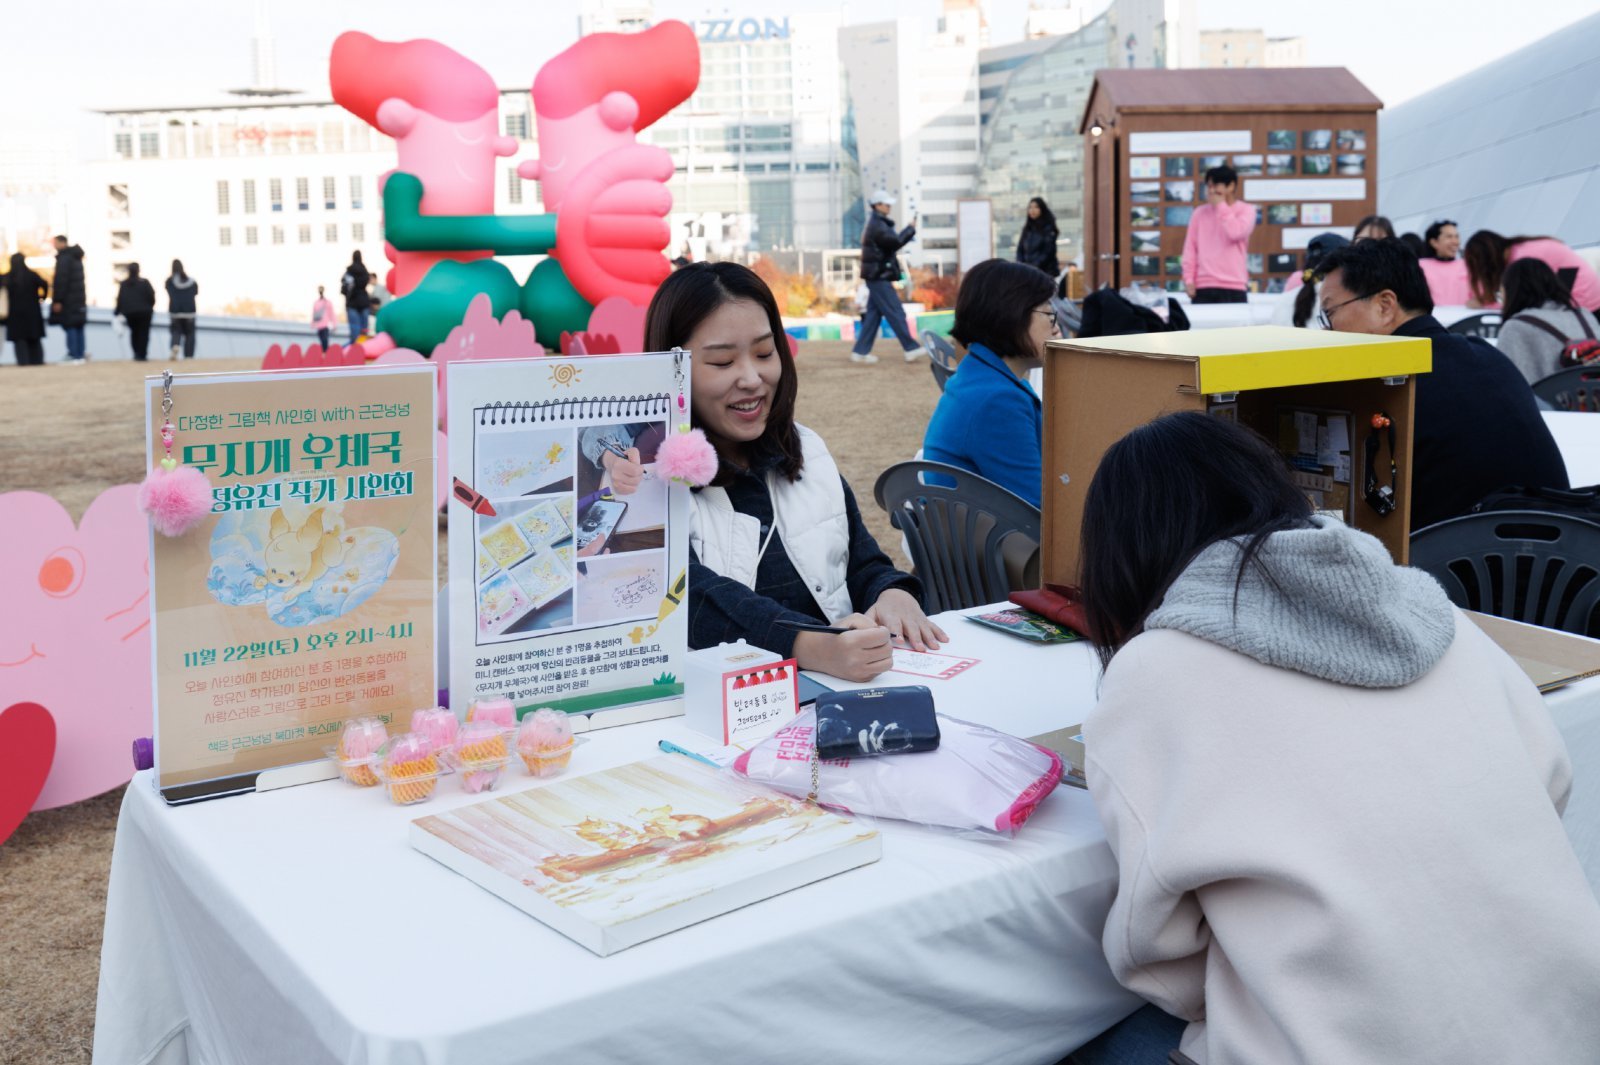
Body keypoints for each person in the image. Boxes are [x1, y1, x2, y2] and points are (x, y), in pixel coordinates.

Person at [1065, 410, 1600, 1065]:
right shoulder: (1432, 608)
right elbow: (1553, 779)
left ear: (1124, 549)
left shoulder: (1155, 671)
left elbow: (1153, 957)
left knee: (1070, 1033)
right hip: (1569, 1024)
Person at [647, 261, 945, 681]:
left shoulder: (807, 451)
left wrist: (893, 592)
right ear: (671, 369)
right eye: (721, 362)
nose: (752, 378)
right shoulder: (649, 479)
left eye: (765, 353)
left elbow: (860, 563)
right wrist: (808, 645)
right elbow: (693, 599)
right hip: (728, 710)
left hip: (838, 691)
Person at [1314, 238, 1567, 529]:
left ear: (1385, 306)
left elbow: (1359, 513)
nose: (1326, 330)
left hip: (1457, 566)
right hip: (1562, 555)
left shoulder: (1391, 387)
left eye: (1330, 313)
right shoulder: (1488, 355)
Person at [922, 259, 1052, 507]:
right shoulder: (997, 401)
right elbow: (1040, 506)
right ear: (1012, 315)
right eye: (1048, 314)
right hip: (997, 542)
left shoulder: (980, 377)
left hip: (975, 534)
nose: (1056, 329)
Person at [851, 189, 928, 365]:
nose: (889, 206)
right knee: (895, 311)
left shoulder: (877, 224)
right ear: (877, 205)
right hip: (879, 276)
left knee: (873, 315)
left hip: (876, 275)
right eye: (886, 204)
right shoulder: (878, 226)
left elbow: (892, 243)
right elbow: (896, 242)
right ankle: (911, 348)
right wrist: (910, 229)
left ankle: (860, 352)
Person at [1496, 257, 1600, 384]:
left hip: (1549, 402)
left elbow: (1504, 380)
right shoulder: (1585, 315)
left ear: (1512, 292)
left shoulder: (1515, 327)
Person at [1465, 229, 1600, 312]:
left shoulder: (1521, 259)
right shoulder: (1520, 248)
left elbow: (1520, 306)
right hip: (1587, 299)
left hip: (1581, 305)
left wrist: (1485, 305)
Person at [1181, 165, 1254, 304]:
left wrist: (1221, 206)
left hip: (1234, 285)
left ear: (1231, 186)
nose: (1211, 191)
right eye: (1209, 186)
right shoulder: (1199, 213)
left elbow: (1235, 233)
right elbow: (1190, 249)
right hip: (1203, 286)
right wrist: (1189, 279)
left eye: (1216, 186)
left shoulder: (1247, 210)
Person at [3, 252, 48, 365]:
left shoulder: (6, 278)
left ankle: (23, 362)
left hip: (15, 313)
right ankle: (37, 361)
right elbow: (44, 284)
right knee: (34, 338)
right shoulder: (32, 275)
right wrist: (42, 297)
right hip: (32, 311)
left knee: (19, 340)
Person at [49, 235, 87, 363]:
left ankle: (73, 354)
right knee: (78, 325)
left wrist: (58, 300)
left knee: (70, 325)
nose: (53, 246)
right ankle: (80, 355)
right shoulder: (76, 257)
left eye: (55, 243)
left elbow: (61, 280)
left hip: (68, 299)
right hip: (79, 298)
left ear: (61, 243)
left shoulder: (64, 258)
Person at [1417, 219, 1470, 306]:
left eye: (1457, 237)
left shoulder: (1467, 265)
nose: (1455, 242)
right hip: (1434, 318)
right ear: (1434, 242)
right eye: (1449, 237)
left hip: (1466, 318)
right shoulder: (1421, 266)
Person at [114, 262, 156, 361]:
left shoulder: (124, 284)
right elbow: (152, 296)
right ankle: (142, 354)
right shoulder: (144, 282)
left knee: (134, 333)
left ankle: (137, 353)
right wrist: (150, 306)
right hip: (145, 312)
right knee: (144, 333)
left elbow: (120, 299)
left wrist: (117, 311)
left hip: (130, 313)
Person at [1015, 197, 1060, 279]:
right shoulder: (1027, 229)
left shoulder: (1048, 229)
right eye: (1030, 207)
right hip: (1028, 272)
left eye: (1036, 207)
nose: (1032, 210)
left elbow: (1048, 253)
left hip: (1045, 273)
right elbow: (1020, 249)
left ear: (1042, 209)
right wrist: (1021, 266)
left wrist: (1032, 267)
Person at [165, 260, 198, 359]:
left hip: (175, 312)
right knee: (190, 334)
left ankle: (175, 345)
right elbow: (196, 292)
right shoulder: (192, 282)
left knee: (176, 331)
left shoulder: (169, 281)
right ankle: (188, 355)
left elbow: (169, 292)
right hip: (190, 312)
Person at [341, 250, 372, 341]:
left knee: (354, 330)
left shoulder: (349, 272)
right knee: (364, 329)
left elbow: (345, 287)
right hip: (364, 301)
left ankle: (355, 350)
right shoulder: (365, 271)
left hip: (352, 301)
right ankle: (364, 349)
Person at [311, 285, 336, 350]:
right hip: (319, 326)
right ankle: (324, 355)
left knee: (325, 341)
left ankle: (325, 355)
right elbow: (314, 314)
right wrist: (313, 324)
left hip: (325, 325)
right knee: (322, 342)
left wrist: (334, 324)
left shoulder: (327, 302)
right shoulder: (316, 302)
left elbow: (332, 314)